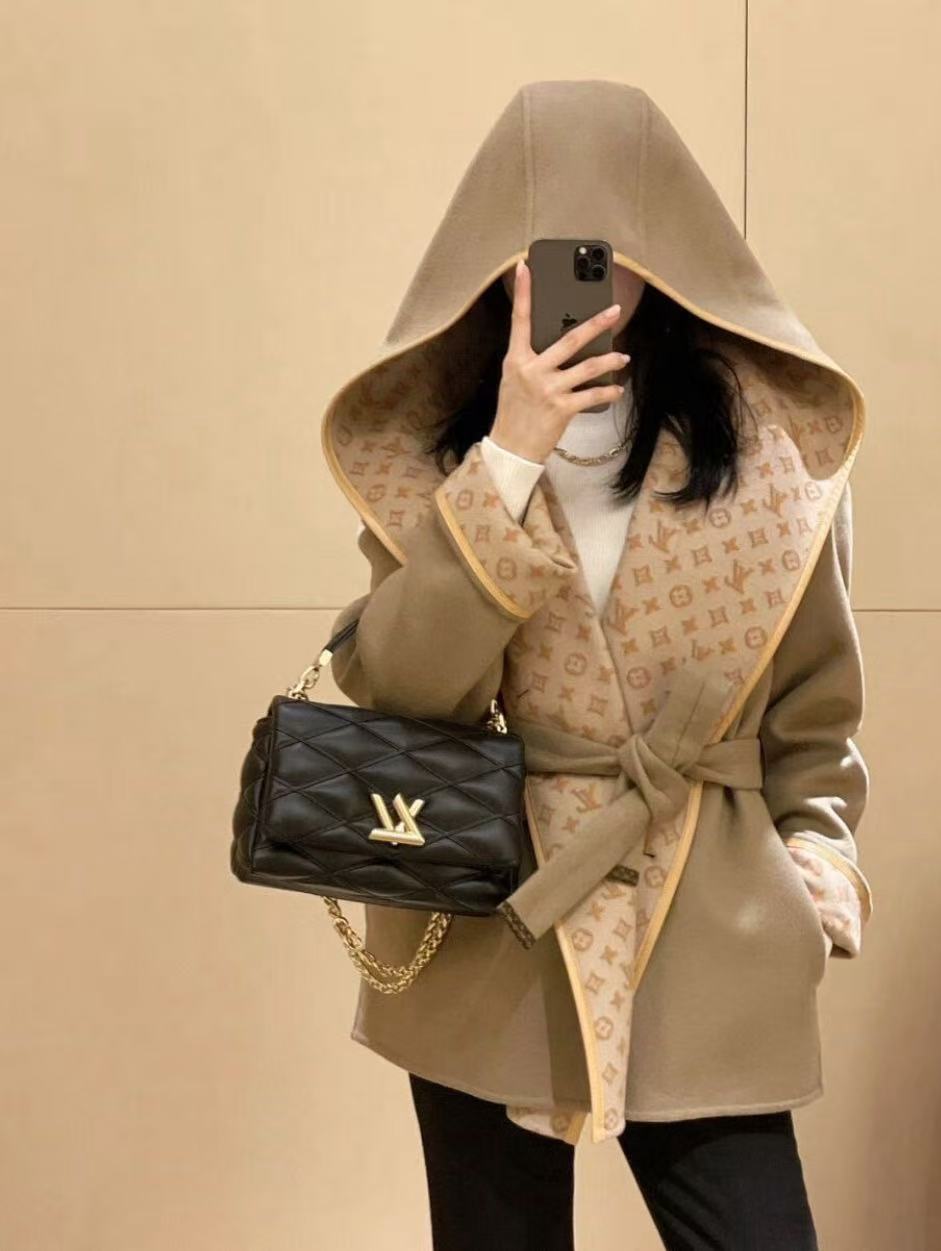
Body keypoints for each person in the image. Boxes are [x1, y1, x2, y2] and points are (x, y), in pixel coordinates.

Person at [322, 79, 872, 1250]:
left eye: (610, 248)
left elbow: (818, 714)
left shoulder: (782, 451)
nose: (583, 278)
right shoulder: (430, 449)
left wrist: (816, 880)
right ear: (492, 261)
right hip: (491, 917)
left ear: (668, 248)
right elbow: (404, 688)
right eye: (545, 251)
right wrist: (510, 456)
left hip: (711, 914)